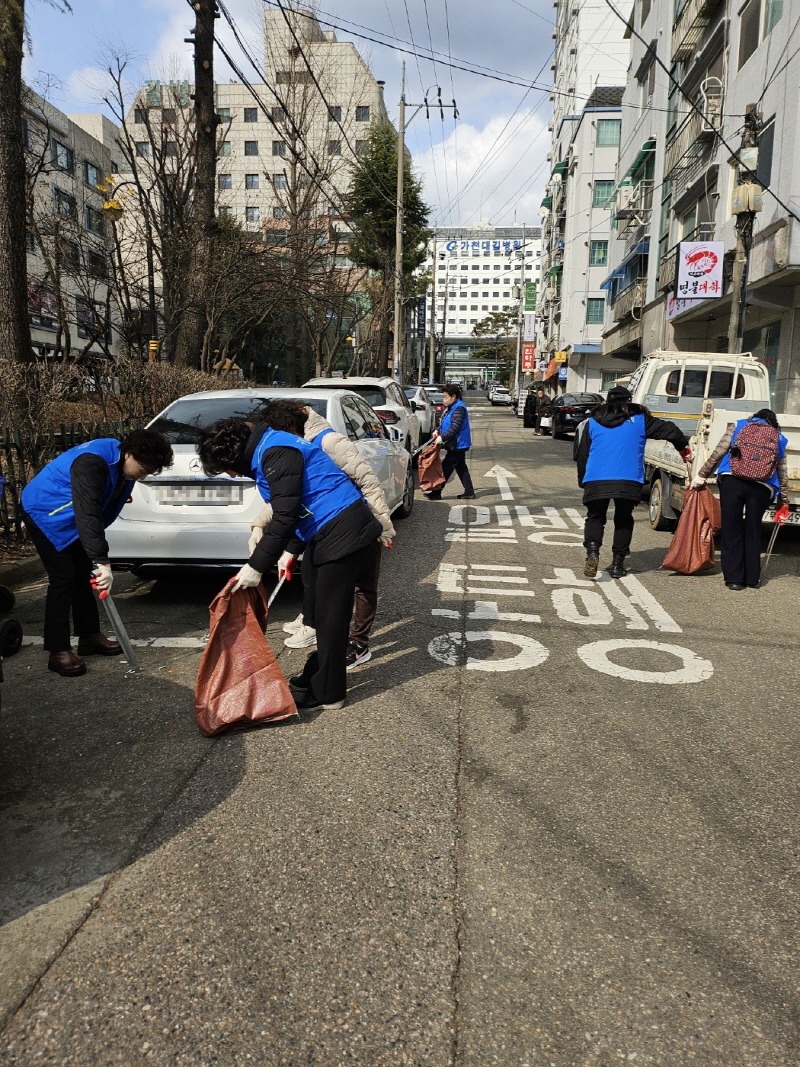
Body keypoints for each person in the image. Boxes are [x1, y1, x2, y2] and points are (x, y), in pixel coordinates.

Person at [197, 410, 381, 713]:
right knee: (321, 612)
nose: (230, 475)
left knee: (331, 618)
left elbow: (286, 513)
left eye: (226, 469)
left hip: (342, 531)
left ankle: (329, 693)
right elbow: (300, 503)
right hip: (331, 530)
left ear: (233, 455)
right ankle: (317, 673)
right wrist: (290, 550)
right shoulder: (271, 447)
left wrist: (255, 566)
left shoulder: (275, 452)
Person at [247, 400, 395, 669]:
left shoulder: (329, 441)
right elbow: (287, 497)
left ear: (291, 424)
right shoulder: (290, 446)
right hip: (323, 524)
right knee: (314, 578)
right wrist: (259, 524)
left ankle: (359, 644)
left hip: (360, 519)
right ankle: (310, 622)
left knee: (363, 587)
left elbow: (367, 481)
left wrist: (383, 524)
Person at [20, 429, 174, 677]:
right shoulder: (92, 463)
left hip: (74, 516)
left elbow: (96, 513)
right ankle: (57, 650)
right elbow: (88, 512)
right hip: (45, 512)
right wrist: (101, 559)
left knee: (83, 574)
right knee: (63, 578)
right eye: (144, 468)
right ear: (129, 454)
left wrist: (94, 558)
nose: (145, 475)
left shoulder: (123, 460)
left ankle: (89, 636)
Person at [574, 385, 690, 578]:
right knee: (623, 518)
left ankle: (592, 553)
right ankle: (618, 564)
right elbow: (669, 430)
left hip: (596, 478)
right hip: (628, 478)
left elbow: (583, 454)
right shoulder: (639, 420)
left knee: (595, 516)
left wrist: (583, 480)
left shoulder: (593, 422)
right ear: (629, 401)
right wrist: (683, 447)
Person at [690, 408, 790, 590]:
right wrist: (783, 502)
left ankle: (734, 579)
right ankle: (752, 578)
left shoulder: (739, 425)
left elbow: (719, 452)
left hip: (732, 480)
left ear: (753, 418)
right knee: (753, 529)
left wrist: (702, 475)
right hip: (762, 487)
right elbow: (782, 472)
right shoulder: (779, 438)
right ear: (773, 423)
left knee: (731, 528)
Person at [427, 383, 475, 500]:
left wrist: (442, 438)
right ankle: (469, 492)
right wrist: (437, 430)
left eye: (445, 396)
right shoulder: (452, 407)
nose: (444, 399)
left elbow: (455, 427)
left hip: (458, 444)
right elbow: (445, 423)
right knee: (461, 467)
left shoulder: (459, 408)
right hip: (457, 443)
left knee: (446, 468)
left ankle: (436, 493)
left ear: (453, 396)